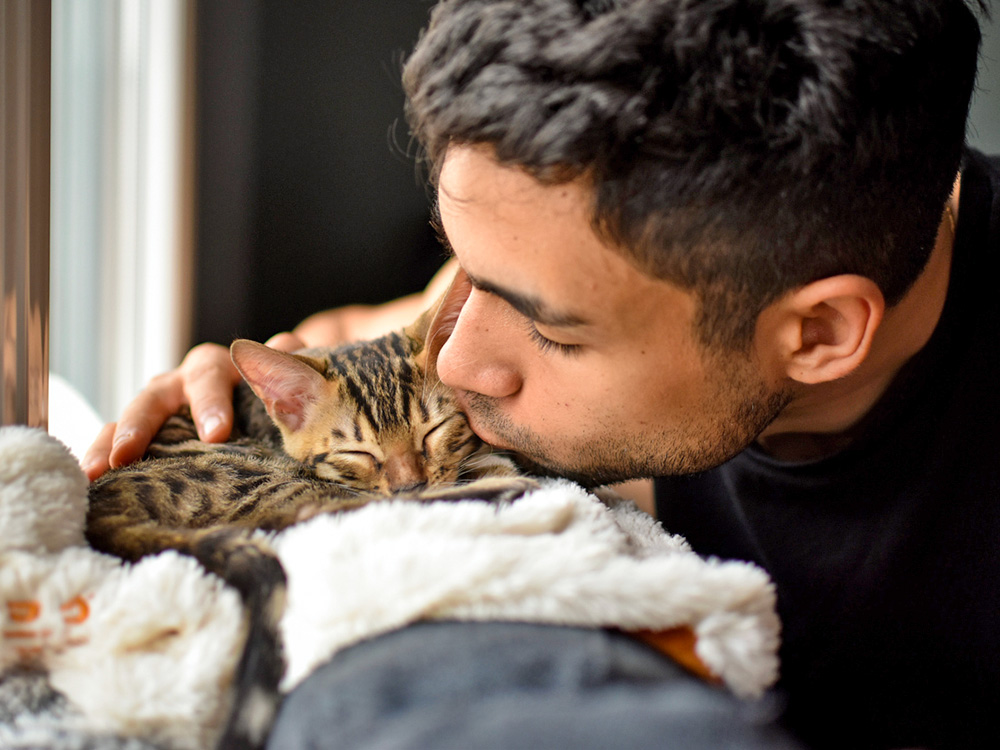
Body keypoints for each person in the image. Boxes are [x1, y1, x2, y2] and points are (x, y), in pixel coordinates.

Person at [83, 0, 997, 748]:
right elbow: (343, 344)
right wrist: (242, 402)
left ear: (820, 333)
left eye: (552, 332)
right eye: (465, 272)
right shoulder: (578, 254)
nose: (458, 362)